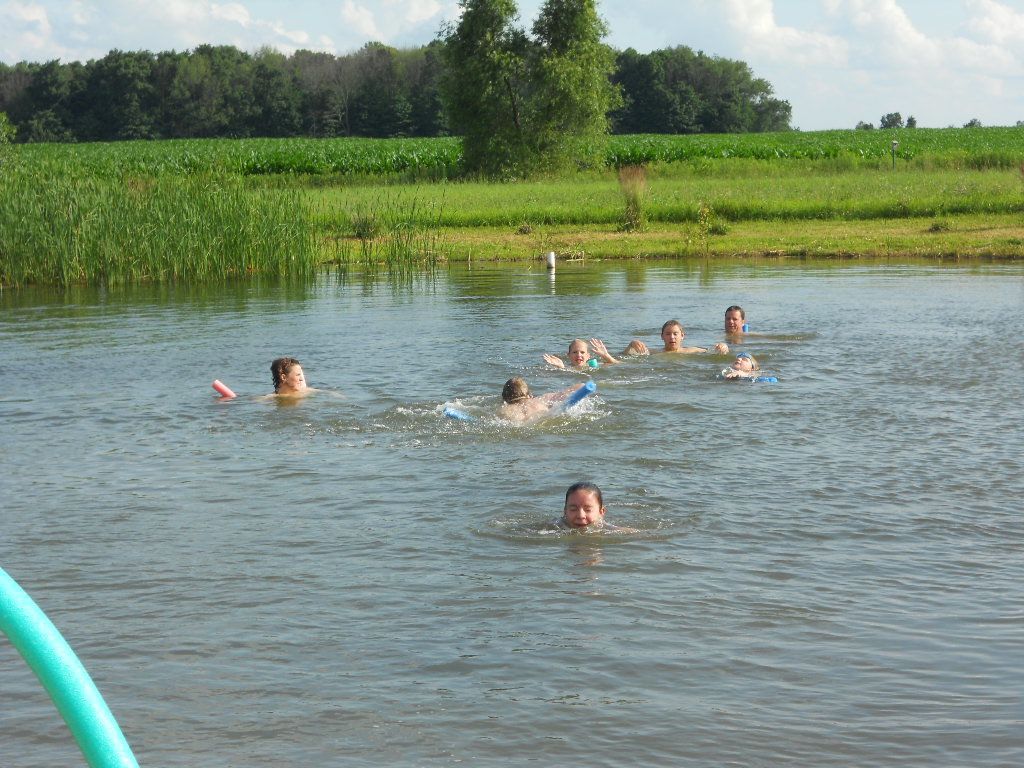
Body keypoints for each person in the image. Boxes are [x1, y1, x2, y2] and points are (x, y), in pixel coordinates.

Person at [557, 482, 635, 532]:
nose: (580, 516)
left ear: (601, 512)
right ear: (565, 511)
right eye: (573, 509)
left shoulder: (608, 530)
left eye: (587, 510)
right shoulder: (555, 527)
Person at [623, 319, 729, 356]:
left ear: (682, 336)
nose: (672, 337)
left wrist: (723, 346)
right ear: (662, 336)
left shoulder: (692, 350)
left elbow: (713, 351)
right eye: (668, 334)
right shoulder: (653, 352)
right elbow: (625, 355)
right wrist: (631, 345)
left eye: (675, 334)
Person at [500, 377, 581, 423]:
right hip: (546, 420)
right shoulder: (541, 400)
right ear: (529, 393)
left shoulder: (504, 410)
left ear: (505, 398)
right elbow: (579, 387)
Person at [543, 338, 619, 369]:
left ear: (588, 356)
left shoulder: (593, 366)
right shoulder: (567, 368)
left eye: (582, 352)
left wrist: (606, 356)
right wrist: (561, 367)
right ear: (569, 355)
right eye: (575, 352)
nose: (579, 355)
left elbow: (618, 364)